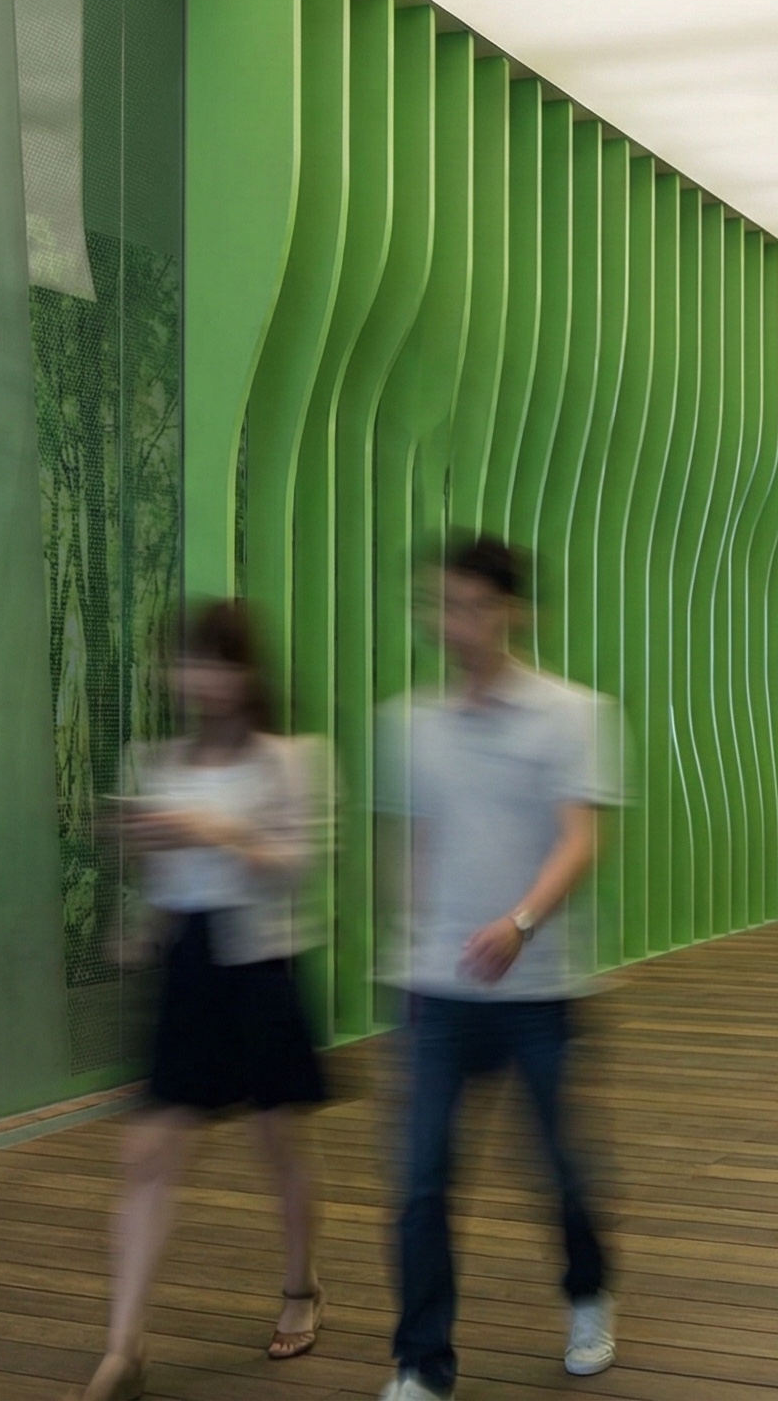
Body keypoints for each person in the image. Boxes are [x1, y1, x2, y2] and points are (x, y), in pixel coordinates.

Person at [380, 536, 622, 1401]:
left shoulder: (572, 713)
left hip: (537, 987)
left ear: (512, 611)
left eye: (476, 606)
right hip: (436, 992)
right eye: (444, 605)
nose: (458, 623)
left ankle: (588, 1291)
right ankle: (421, 1364)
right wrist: (405, 945)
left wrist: (520, 922)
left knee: (559, 1166)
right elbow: (408, 842)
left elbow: (578, 836)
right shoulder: (409, 721)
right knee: (421, 1184)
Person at [76, 601, 330, 1401]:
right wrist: (137, 922)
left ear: (247, 672)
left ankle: (301, 1286)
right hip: (186, 963)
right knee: (146, 1153)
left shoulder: (291, 759)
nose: (202, 678)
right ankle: (124, 1346)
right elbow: (154, 871)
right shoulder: (152, 759)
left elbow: (293, 864)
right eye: (189, 662)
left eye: (220, 662)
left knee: (277, 1143)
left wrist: (211, 830)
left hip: (260, 965)